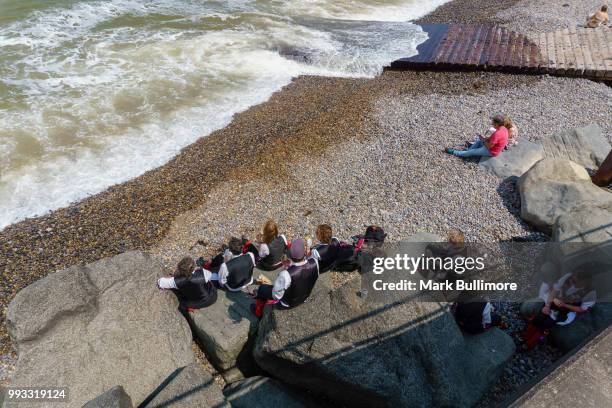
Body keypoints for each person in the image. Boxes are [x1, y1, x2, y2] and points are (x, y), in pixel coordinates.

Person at [521, 264, 597, 349]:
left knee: (546, 325)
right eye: (572, 280)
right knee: (538, 318)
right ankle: (524, 337)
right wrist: (547, 306)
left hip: (566, 311)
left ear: (585, 282)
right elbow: (554, 290)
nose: (572, 283)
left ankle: (529, 344)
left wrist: (564, 305)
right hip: (554, 302)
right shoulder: (568, 276)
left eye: (576, 282)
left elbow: (582, 309)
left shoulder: (591, 293)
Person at [250, 238, 319, 317]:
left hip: (288, 303)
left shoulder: (286, 274)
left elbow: (276, 295)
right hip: (304, 297)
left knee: (262, 289)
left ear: (290, 255)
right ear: (304, 252)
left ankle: (258, 312)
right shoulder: (315, 263)